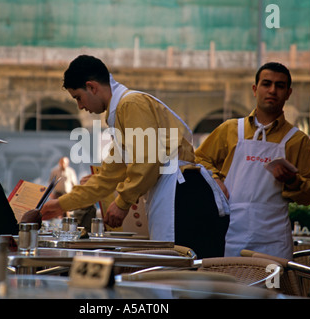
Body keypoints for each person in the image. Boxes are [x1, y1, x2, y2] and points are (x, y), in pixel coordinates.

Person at [39, 55, 230, 258]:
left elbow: (147, 160)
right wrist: (60, 205)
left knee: (184, 278)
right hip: (177, 194)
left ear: (92, 87)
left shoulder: (131, 104)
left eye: (78, 97)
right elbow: (105, 179)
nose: (80, 106)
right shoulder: (122, 114)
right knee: (174, 275)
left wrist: (122, 202)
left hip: (185, 196)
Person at [195, 62, 310, 260]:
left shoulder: (297, 140)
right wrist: (215, 180)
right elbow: (199, 159)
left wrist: (293, 181)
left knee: (271, 290)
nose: (272, 90)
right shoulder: (230, 130)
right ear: (255, 89)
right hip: (229, 234)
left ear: (288, 93)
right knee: (228, 289)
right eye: (266, 84)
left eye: (280, 86)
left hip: (273, 241)